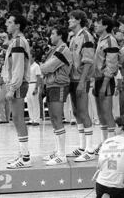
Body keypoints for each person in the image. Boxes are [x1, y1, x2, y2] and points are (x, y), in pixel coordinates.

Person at [40, 26, 72, 165]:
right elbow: (45, 66)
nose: (50, 36)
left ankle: (62, 154)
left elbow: (47, 67)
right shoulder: (55, 50)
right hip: (51, 84)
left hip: (59, 84)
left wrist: (43, 68)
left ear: (60, 35)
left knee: (57, 118)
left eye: (53, 34)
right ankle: (58, 151)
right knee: (53, 118)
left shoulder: (63, 49)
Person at [67, 10, 96, 162]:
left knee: (84, 112)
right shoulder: (73, 38)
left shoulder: (86, 36)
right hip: (72, 78)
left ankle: (90, 149)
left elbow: (88, 61)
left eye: (71, 19)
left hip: (81, 79)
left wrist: (83, 80)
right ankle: (82, 146)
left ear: (78, 20)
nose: (69, 21)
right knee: (77, 112)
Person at [4, 12, 31, 169]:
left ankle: (26, 157)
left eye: (9, 22)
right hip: (17, 83)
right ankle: (22, 153)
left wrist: (12, 88)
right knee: (16, 118)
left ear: (17, 25)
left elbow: (18, 67)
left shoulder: (19, 42)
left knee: (18, 118)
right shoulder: (15, 41)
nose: (7, 24)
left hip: (19, 84)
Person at [92, 15, 119, 149]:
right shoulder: (100, 40)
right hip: (97, 79)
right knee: (100, 113)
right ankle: (104, 141)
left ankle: (112, 142)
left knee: (107, 112)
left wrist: (104, 84)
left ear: (105, 26)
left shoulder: (110, 40)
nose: (95, 25)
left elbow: (112, 65)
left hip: (105, 80)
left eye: (98, 23)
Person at [26, 52, 42, 126]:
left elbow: (39, 77)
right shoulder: (27, 66)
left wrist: (36, 88)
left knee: (35, 102)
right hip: (28, 84)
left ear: (33, 58)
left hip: (34, 84)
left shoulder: (36, 66)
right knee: (29, 102)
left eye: (30, 56)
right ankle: (31, 119)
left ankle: (36, 119)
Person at [0, 50, 10, 124]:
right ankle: (7, 118)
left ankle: (2, 119)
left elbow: (2, 78)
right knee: (7, 102)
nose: (1, 61)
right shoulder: (10, 65)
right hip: (9, 85)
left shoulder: (4, 66)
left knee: (0, 101)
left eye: (2, 60)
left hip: (4, 84)